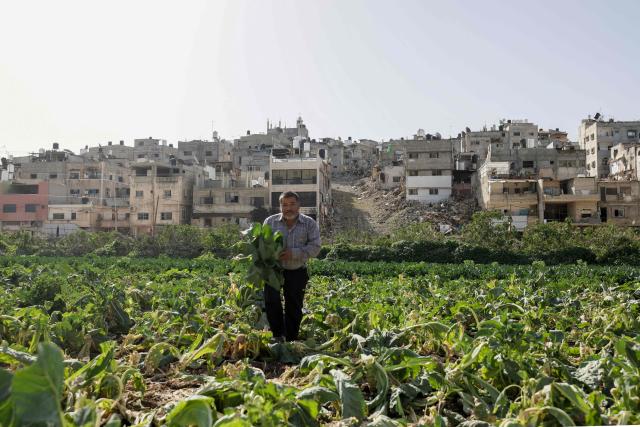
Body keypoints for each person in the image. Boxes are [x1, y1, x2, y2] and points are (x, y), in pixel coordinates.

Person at [263, 191, 321, 342]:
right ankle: (277, 335)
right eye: (285, 205)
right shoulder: (270, 222)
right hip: (273, 270)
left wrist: (293, 253)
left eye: (292, 204)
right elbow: (262, 245)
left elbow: (315, 247)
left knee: (294, 305)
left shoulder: (309, 223)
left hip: (296, 270)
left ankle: (291, 339)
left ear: (298, 205)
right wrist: (268, 254)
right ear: (280, 206)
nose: (288, 208)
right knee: (271, 302)